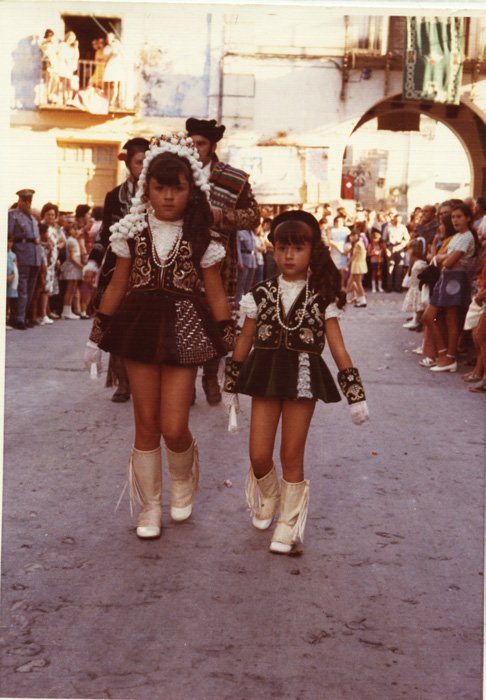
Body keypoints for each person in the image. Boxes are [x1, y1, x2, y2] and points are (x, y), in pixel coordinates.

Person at [84, 133, 235, 540]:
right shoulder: (131, 231)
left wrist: (231, 348)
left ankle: (182, 478)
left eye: (177, 188)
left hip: (185, 330)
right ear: (146, 188)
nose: (168, 196)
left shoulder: (203, 237)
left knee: (173, 425)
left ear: (192, 190)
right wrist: (95, 338)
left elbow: (216, 294)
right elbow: (117, 285)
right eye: (160, 187)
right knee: (146, 423)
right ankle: (150, 506)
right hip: (139, 328)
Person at [222, 210, 369, 554]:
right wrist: (231, 385)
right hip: (265, 376)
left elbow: (339, 350)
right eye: (282, 248)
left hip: (303, 379)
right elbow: (244, 341)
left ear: (312, 251)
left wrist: (356, 396)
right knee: (259, 454)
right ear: (273, 249)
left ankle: (288, 524)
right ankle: (270, 496)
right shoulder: (258, 294)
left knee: (291, 454)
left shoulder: (322, 297)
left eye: (298, 248)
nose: (289, 255)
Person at [185, 117, 260, 404]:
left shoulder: (233, 178)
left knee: (216, 320)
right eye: (191, 143)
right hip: (182, 259)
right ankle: (187, 381)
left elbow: (253, 216)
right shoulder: (177, 172)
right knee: (186, 318)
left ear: (213, 146)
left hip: (220, 262)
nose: (196, 148)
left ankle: (209, 376)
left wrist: (220, 216)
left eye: (201, 144)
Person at [89, 137, 150, 402]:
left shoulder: (158, 192)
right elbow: (104, 233)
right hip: (118, 266)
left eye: (148, 161)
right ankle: (122, 382)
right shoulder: (115, 196)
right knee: (117, 324)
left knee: (147, 326)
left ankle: (147, 380)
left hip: (150, 266)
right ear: (127, 164)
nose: (143, 167)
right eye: (139, 162)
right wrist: (93, 261)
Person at [422, 202, 477, 372]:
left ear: (468, 218)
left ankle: (450, 357)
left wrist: (443, 259)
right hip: (446, 277)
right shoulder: (456, 236)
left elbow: (448, 261)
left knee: (451, 319)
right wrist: (443, 258)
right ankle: (443, 352)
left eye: (459, 217)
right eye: (453, 217)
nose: (455, 220)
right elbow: (441, 257)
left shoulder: (467, 237)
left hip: (455, 279)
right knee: (428, 316)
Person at [8, 189, 43, 330]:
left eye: (30, 201)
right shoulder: (13, 216)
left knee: (30, 289)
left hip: (34, 256)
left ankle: (24, 316)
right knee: (21, 288)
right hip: (21, 254)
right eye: (25, 201)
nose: (28, 204)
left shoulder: (32, 218)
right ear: (19, 201)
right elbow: (9, 236)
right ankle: (18, 318)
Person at [235, 228, 257, 306]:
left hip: (252, 260)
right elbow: (238, 248)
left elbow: (254, 248)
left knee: (249, 283)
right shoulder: (240, 232)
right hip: (244, 260)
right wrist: (240, 262)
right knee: (241, 282)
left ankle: (245, 301)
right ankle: (238, 302)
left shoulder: (252, 233)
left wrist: (256, 260)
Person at [346, 228, 368, 307]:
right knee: (352, 281)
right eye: (352, 235)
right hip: (356, 265)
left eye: (354, 235)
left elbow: (354, 256)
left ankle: (362, 300)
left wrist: (347, 264)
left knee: (358, 283)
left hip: (358, 265)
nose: (352, 237)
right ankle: (353, 297)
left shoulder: (358, 244)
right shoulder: (358, 243)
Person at [102, 33, 124, 108]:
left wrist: (117, 47)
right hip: (109, 67)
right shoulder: (106, 48)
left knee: (115, 84)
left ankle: (113, 101)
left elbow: (122, 54)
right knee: (108, 84)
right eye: (107, 38)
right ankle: (107, 100)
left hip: (117, 67)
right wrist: (111, 53)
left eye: (110, 38)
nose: (108, 39)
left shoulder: (118, 45)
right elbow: (105, 59)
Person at [58, 31, 79, 105]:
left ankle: (69, 98)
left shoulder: (72, 47)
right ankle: (65, 98)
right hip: (63, 66)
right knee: (64, 83)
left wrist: (76, 47)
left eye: (73, 39)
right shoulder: (62, 45)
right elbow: (61, 55)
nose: (71, 40)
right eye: (70, 38)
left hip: (69, 67)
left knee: (69, 84)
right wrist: (66, 61)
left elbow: (76, 56)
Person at [6, 238, 19, 329]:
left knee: (8, 299)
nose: (9, 243)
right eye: (8, 241)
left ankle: (6, 318)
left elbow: (15, 268)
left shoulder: (13, 255)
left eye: (11, 241)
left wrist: (12, 276)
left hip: (10, 278)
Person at [367, 228, 384, 293]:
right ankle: (373, 287)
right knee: (373, 274)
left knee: (380, 274)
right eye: (374, 238)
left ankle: (380, 287)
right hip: (373, 261)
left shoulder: (380, 245)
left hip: (380, 261)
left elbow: (383, 253)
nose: (376, 240)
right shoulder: (370, 245)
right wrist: (374, 254)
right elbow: (368, 254)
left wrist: (380, 253)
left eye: (377, 239)